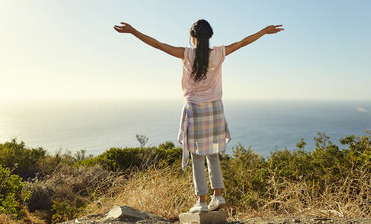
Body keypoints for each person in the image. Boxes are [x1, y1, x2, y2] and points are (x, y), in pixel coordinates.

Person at [114, 19, 284, 213]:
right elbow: (243, 42)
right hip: (214, 109)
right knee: (212, 154)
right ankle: (217, 196)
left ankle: (202, 201)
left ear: (192, 37)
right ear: (209, 37)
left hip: (194, 108)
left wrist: (133, 31)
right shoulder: (219, 53)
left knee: (197, 156)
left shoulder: (186, 54)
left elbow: (157, 44)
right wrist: (264, 31)